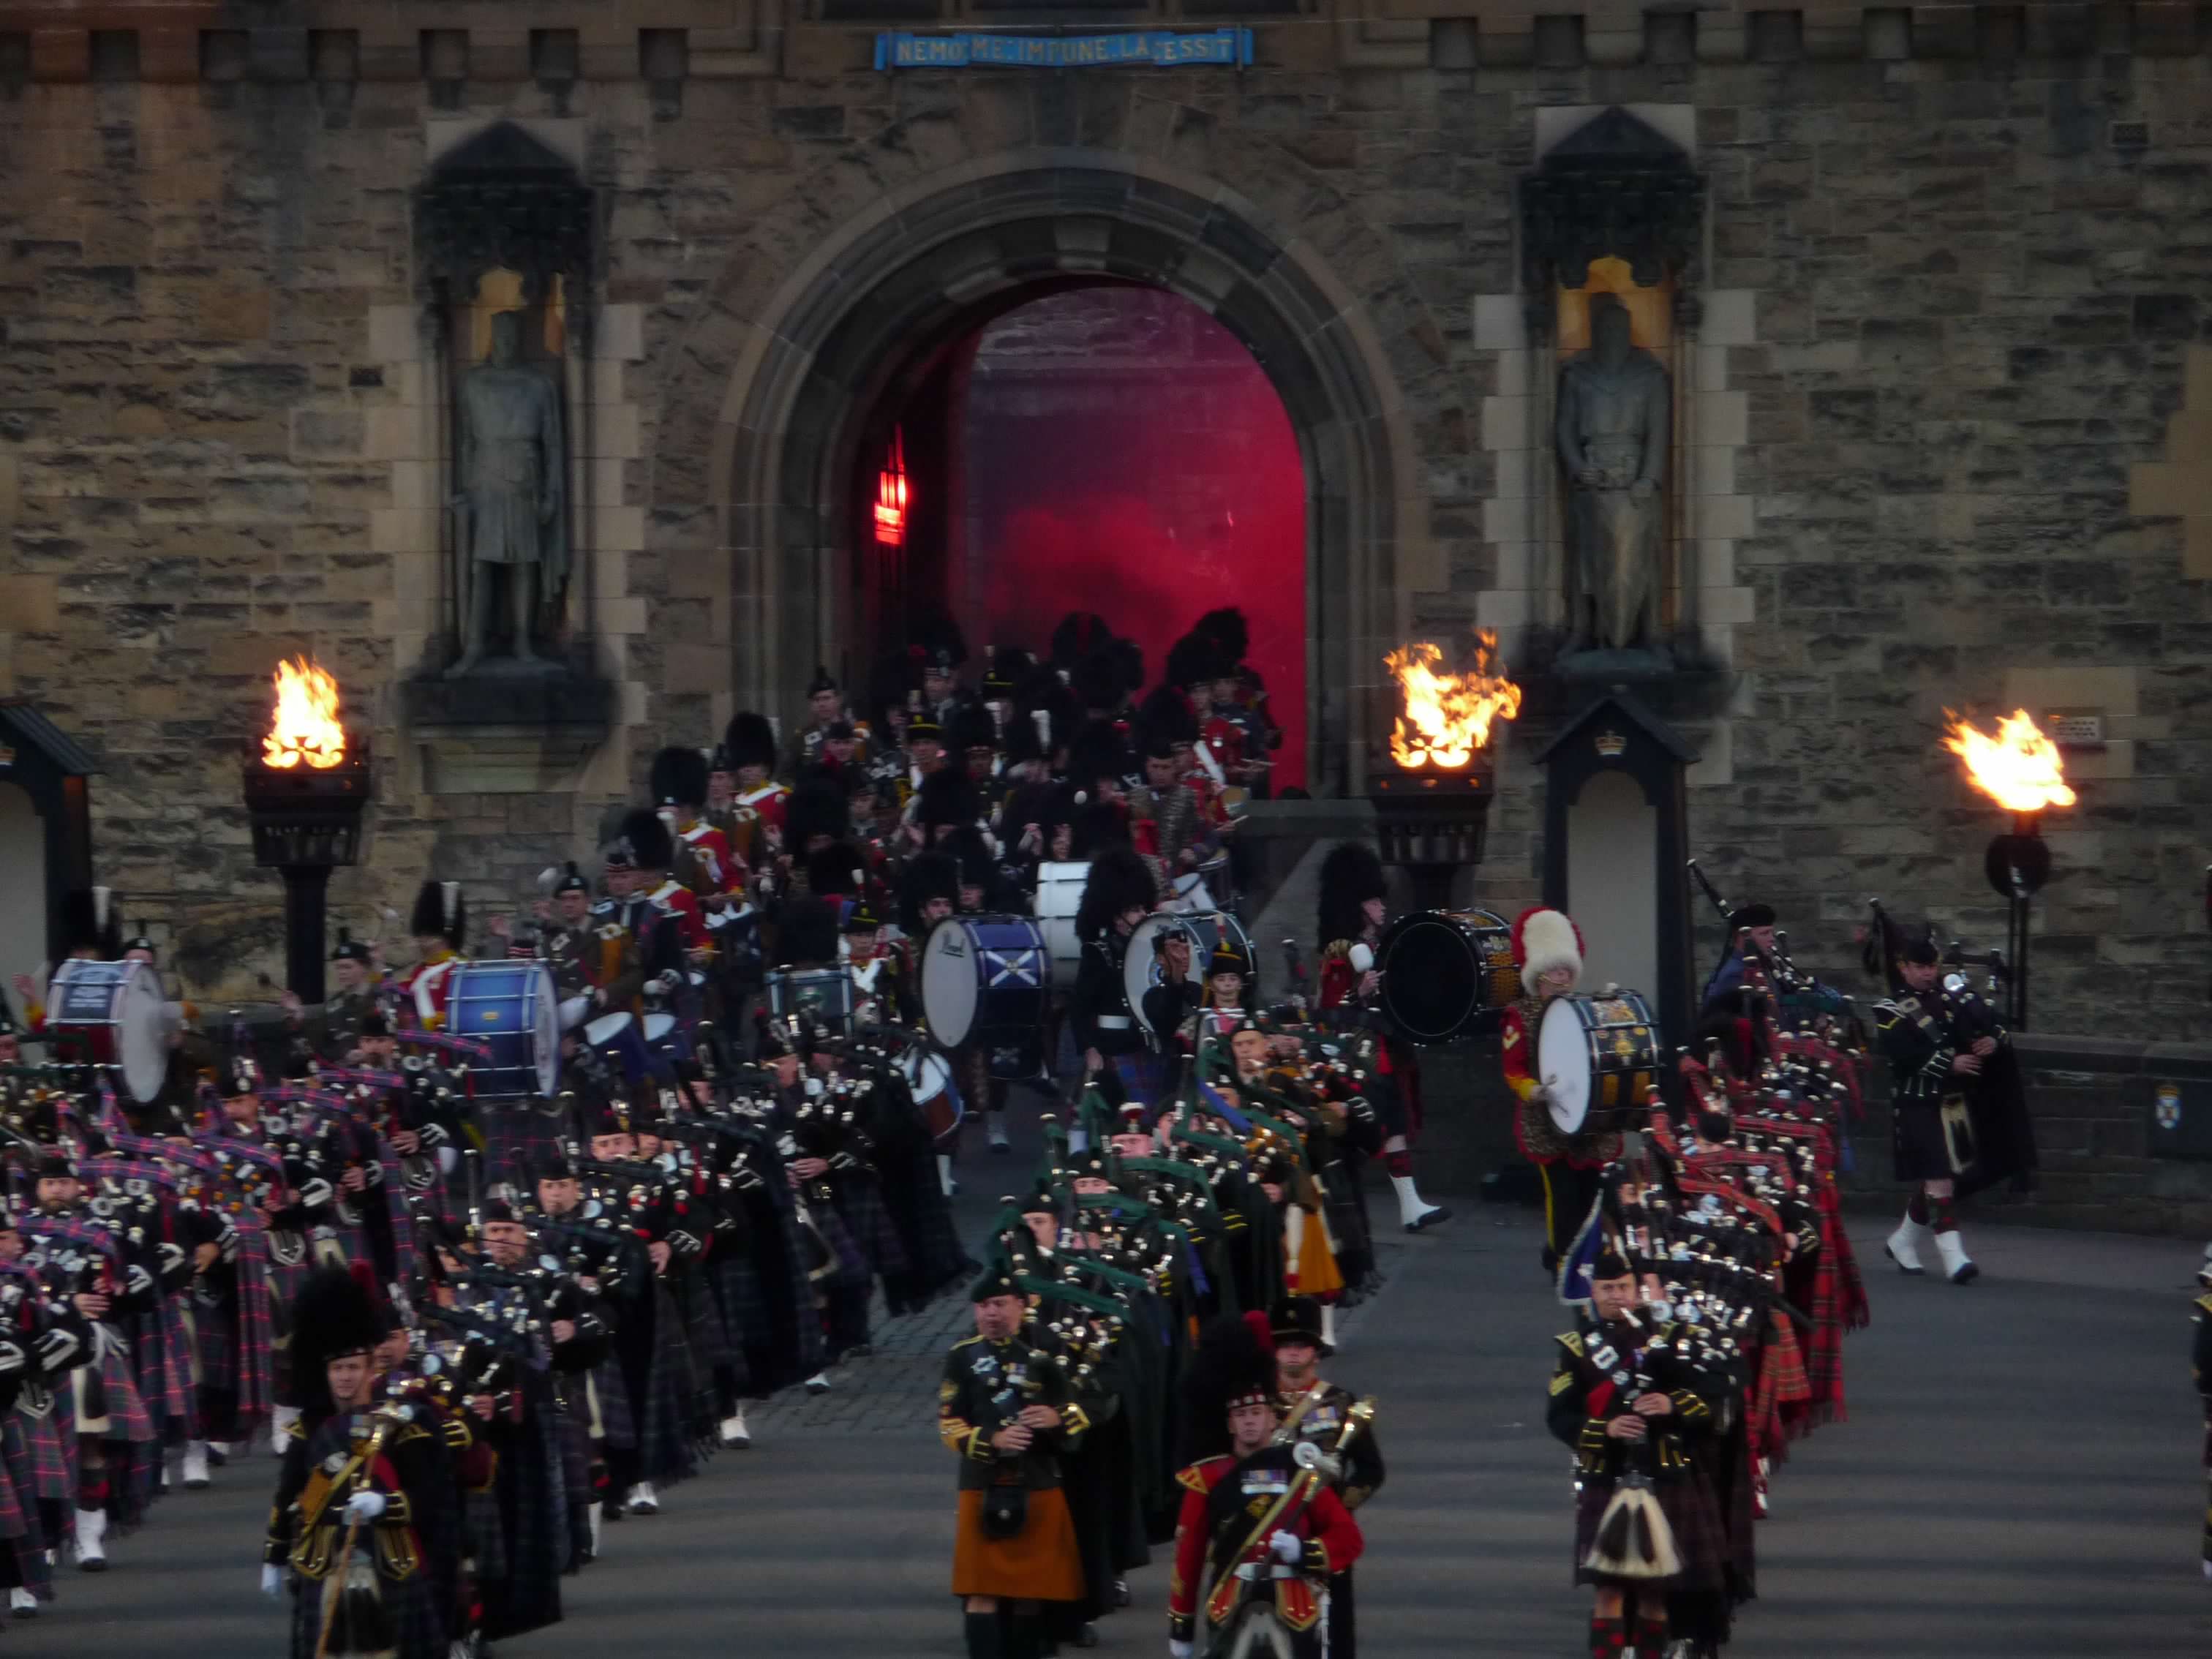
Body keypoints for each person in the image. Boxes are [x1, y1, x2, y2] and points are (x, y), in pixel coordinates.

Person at [1545, 1248, 1721, 1659]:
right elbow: (1559, 1416)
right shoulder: (1576, 1348)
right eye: (1606, 1288)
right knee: (1607, 1592)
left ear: (1637, 1290)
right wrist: (1603, 1428)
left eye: (1623, 1287)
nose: (1616, 1296)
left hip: (1663, 1472)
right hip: (1606, 1474)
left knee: (1654, 1594)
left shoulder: (1672, 1337)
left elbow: (1715, 1394)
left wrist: (1672, 1404)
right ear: (1592, 1292)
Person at [1166, 1314, 1364, 1659]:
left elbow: (1347, 1536)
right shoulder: (1208, 1478)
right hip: (1233, 1598)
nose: (1249, 1422)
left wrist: (1306, 1552)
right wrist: (1181, 1626)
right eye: (1241, 1416)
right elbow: (1189, 1557)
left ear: (1273, 1418)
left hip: (1294, 1602)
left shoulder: (1299, 1471)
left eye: (1257, 1413)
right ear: (1229, 1423)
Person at [940, 1268, 1087, 1659]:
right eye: (984, 1306)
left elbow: (1081, 1406)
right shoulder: (962, 1357)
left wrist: (1058, 1419)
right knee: (980, 1590)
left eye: (1000, 1304)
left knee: (1031, 1594)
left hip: (1038, 1480)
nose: (991, 1314)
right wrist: (993, 1440)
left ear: (1021, 1306)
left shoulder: (1047, 1354)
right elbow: (949, 1425)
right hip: (982, 1482)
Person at [1315, 842, 1446, 1233]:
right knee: (1357, 1134)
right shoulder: (1339, 951)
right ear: (1356, 904)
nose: (1381, 907)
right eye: (1373, 901)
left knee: (1393, 1125)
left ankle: (1410, 1206)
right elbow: (1330, 1005)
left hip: (1384, 1048)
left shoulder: (1375, 944)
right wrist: (1360, 991)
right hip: (1357, 1055)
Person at [1502, 905, 1617, 1270]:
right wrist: (1532, 1090)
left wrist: (1610, 1012)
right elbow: (1513, 1069)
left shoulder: (1584, 1009)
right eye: (1556, 970)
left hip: (1587, 1119)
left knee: (1590, 1193)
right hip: (1547, 1119)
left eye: (1568, 970)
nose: (1565, 976)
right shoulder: (1520, 1015)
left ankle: (1587, 1257)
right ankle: (1561, 1258)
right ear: (1539, 975)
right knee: (1562, 1197)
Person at [1269, 1295, 1383, 1659]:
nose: (1292, 1354)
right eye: (1285, 1345)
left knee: (1331, 1629)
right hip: (1267, 1526)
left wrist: (1336, 1504)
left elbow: (1370, 1469)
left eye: (1300, 1345)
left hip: (1322, 1531)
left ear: (1316, 1352)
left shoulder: (1339, 1403)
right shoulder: (1255, 1405)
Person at [1069, 847, 1159, 1113]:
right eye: (1133, 910)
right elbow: (1080, 1007)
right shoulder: (1099, 953)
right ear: (1115, 916)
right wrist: (1089, 1049)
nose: (1142, 915)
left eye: (1143, 908)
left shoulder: (1151, 949)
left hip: (1148, 1049)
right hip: (1112, 1051)